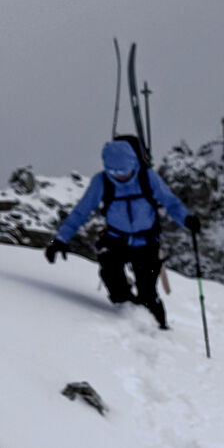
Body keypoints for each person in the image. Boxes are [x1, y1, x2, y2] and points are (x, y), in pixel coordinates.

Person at [44, 137, 201, 329]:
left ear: (133, 164)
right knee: (113, 281)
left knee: (148, 295)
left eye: (124, 172)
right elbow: (81, 212)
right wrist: (60, 239)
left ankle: (161, 330)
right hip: (115, 240)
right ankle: (127, 316)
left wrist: (187, 219)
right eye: (114, 172)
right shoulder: (101, 182)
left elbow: (171, 203)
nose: (120, 177)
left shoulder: (147, 177)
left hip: (146, 243)